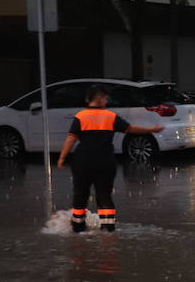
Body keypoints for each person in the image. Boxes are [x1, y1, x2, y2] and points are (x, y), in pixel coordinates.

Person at [56, 85, 162, 232]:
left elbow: (71, 139)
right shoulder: (110, 116)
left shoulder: (81, 116)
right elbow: (130, 129)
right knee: (104, 194)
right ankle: (108, 229)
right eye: (105, 98)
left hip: (83, 161)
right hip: (105, 161)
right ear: (99, 98)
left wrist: (62, 157)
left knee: (80, 193)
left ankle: (78, 228)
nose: (106, 101)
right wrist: (151, 130)